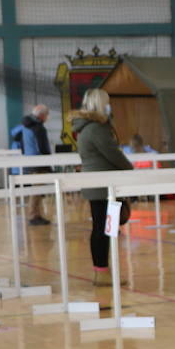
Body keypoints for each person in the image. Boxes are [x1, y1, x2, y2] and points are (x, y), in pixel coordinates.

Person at [75, 87, 133, 287]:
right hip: (105, 187)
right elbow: (113, 154)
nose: (110, 106)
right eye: (107, 102)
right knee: (106, 229)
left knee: (101, 228)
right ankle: (103, 271)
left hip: (96, 185)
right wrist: (130, 169)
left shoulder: (86, 128)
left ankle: (102, 271)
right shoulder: (98, 129)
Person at [14, 104, 52, 225]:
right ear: (42, 116)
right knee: (37, 190)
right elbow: (43, 146)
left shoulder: (25, 126)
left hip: (28, 161)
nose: (47, 117)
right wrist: (48, 161)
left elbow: (19, 142)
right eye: (46, 115)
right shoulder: (38, 128)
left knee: (35, 189)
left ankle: (37, 214)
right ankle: (34, 216)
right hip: (38, 162)